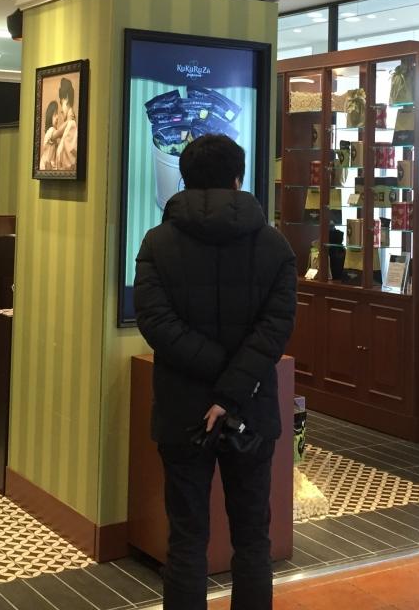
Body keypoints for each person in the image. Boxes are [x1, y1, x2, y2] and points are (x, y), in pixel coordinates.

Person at [133, 134, 296, 610]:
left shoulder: (157, 242)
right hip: (251, 408)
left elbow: (156, 323)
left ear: (182, 179)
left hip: (183, 410)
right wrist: (232, 388)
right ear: (238, 179)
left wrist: (216, 381)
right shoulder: (275, 245)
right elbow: (276, 327)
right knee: (253, 537)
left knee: (186, 539)